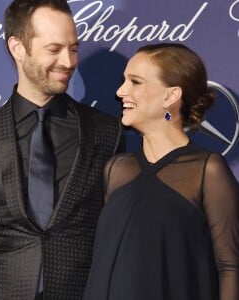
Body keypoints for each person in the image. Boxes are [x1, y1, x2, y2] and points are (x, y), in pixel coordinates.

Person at [0, 0, 124, 299]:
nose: (68, 61)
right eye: (54, 50)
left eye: (73, 48)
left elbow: (119, 237)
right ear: (18, 48)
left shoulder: (106, 132)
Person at [84, 43, 239, 300]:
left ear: (170, 96)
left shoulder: (206, 170)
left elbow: (230, 267)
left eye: (135, 82)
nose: (121, 91)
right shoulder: (116, 170)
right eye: (124, 81)